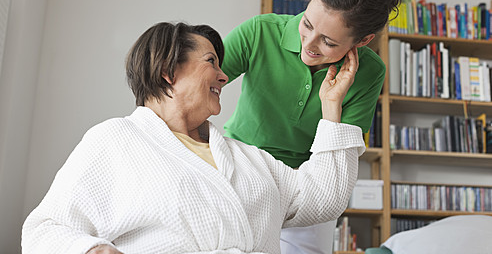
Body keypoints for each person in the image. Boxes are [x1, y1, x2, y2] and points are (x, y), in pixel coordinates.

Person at [22, 22, 365, 254]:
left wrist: (331, 107)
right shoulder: (116, 140)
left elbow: (322, 199)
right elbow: (43, 230)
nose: (223, 74)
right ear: (168, 72)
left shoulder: (246, 157)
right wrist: (94, 250)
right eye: (211, 61)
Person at [220, 0, 404, 254]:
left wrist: (333, 105)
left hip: (308, 187)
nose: (309, 44)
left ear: (362, 41)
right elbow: (199, 88)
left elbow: (338, 162)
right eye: (306, 24)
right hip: (243, 168)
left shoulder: (371, 72)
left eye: (328, 42)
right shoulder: (259, 31)